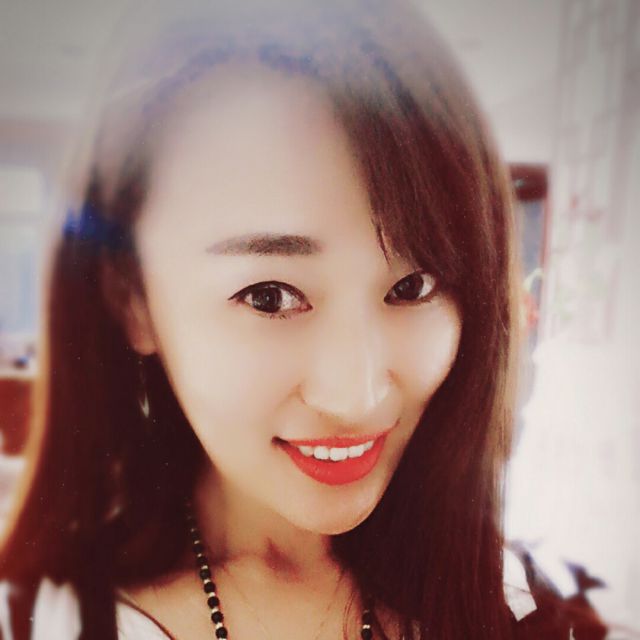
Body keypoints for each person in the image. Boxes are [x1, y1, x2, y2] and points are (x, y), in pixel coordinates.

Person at [0, 1, 608, 638]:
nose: (356, 396)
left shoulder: (520, 608)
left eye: (414, 286)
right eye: (269, 296)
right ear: (133, 298)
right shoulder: (48, 622)